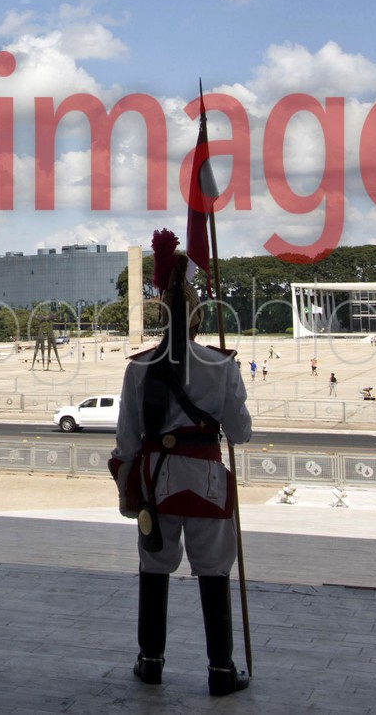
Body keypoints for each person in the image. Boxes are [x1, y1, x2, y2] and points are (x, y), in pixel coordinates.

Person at [111, 230, 251, 696]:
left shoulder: (138, 368)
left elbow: (126, 441)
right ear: (197, 316)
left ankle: (150, 661)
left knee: (154, 567)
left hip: (156, 483)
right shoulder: (221, 365)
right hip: (206, 481)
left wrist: (128, 488)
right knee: (214, 569)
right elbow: (241, 433)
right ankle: (221, 670)